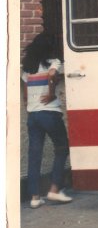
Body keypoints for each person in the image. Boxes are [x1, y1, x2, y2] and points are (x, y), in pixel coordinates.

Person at [21, 32, 73, 209]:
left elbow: (26, 91)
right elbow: (52, 75)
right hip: (49, 113)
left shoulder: (28, 67)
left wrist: (28, 102)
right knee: (62, 147)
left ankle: (35, 197)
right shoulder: (54, 62)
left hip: (33, 115)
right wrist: (51, 93)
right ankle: (54, 189)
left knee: (34, 154)